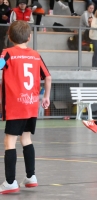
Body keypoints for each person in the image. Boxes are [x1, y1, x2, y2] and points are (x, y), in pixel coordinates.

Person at [0, 20, 51, 194]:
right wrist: (46, 97)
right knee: (26, 139)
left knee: (9, 142)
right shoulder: (35, 55)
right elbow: (48, 77)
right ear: (29, 37)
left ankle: (10, 182)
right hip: (31, 105)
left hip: (15, 106)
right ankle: (31, 177)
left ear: (9, 37)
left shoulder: (7, 53)